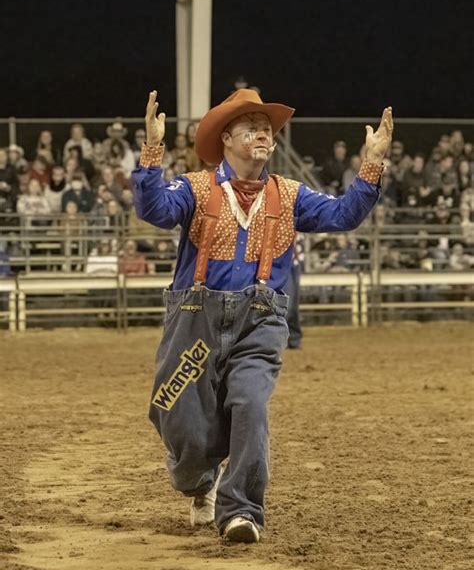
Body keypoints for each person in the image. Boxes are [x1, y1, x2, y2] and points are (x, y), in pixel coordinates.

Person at [132, 88, 393, 544]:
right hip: (196, 318)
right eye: (251, 126)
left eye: (267, 128)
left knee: (251, 404)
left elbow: (342, 214)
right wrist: (152, 151)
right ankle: (199, 481)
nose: (262, 133)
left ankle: (242, 511)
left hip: (261, 319)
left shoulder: (289, 195)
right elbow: (153, 209)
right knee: (178, 416)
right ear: (226, 139)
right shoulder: (194, 187)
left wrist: (370, 164)